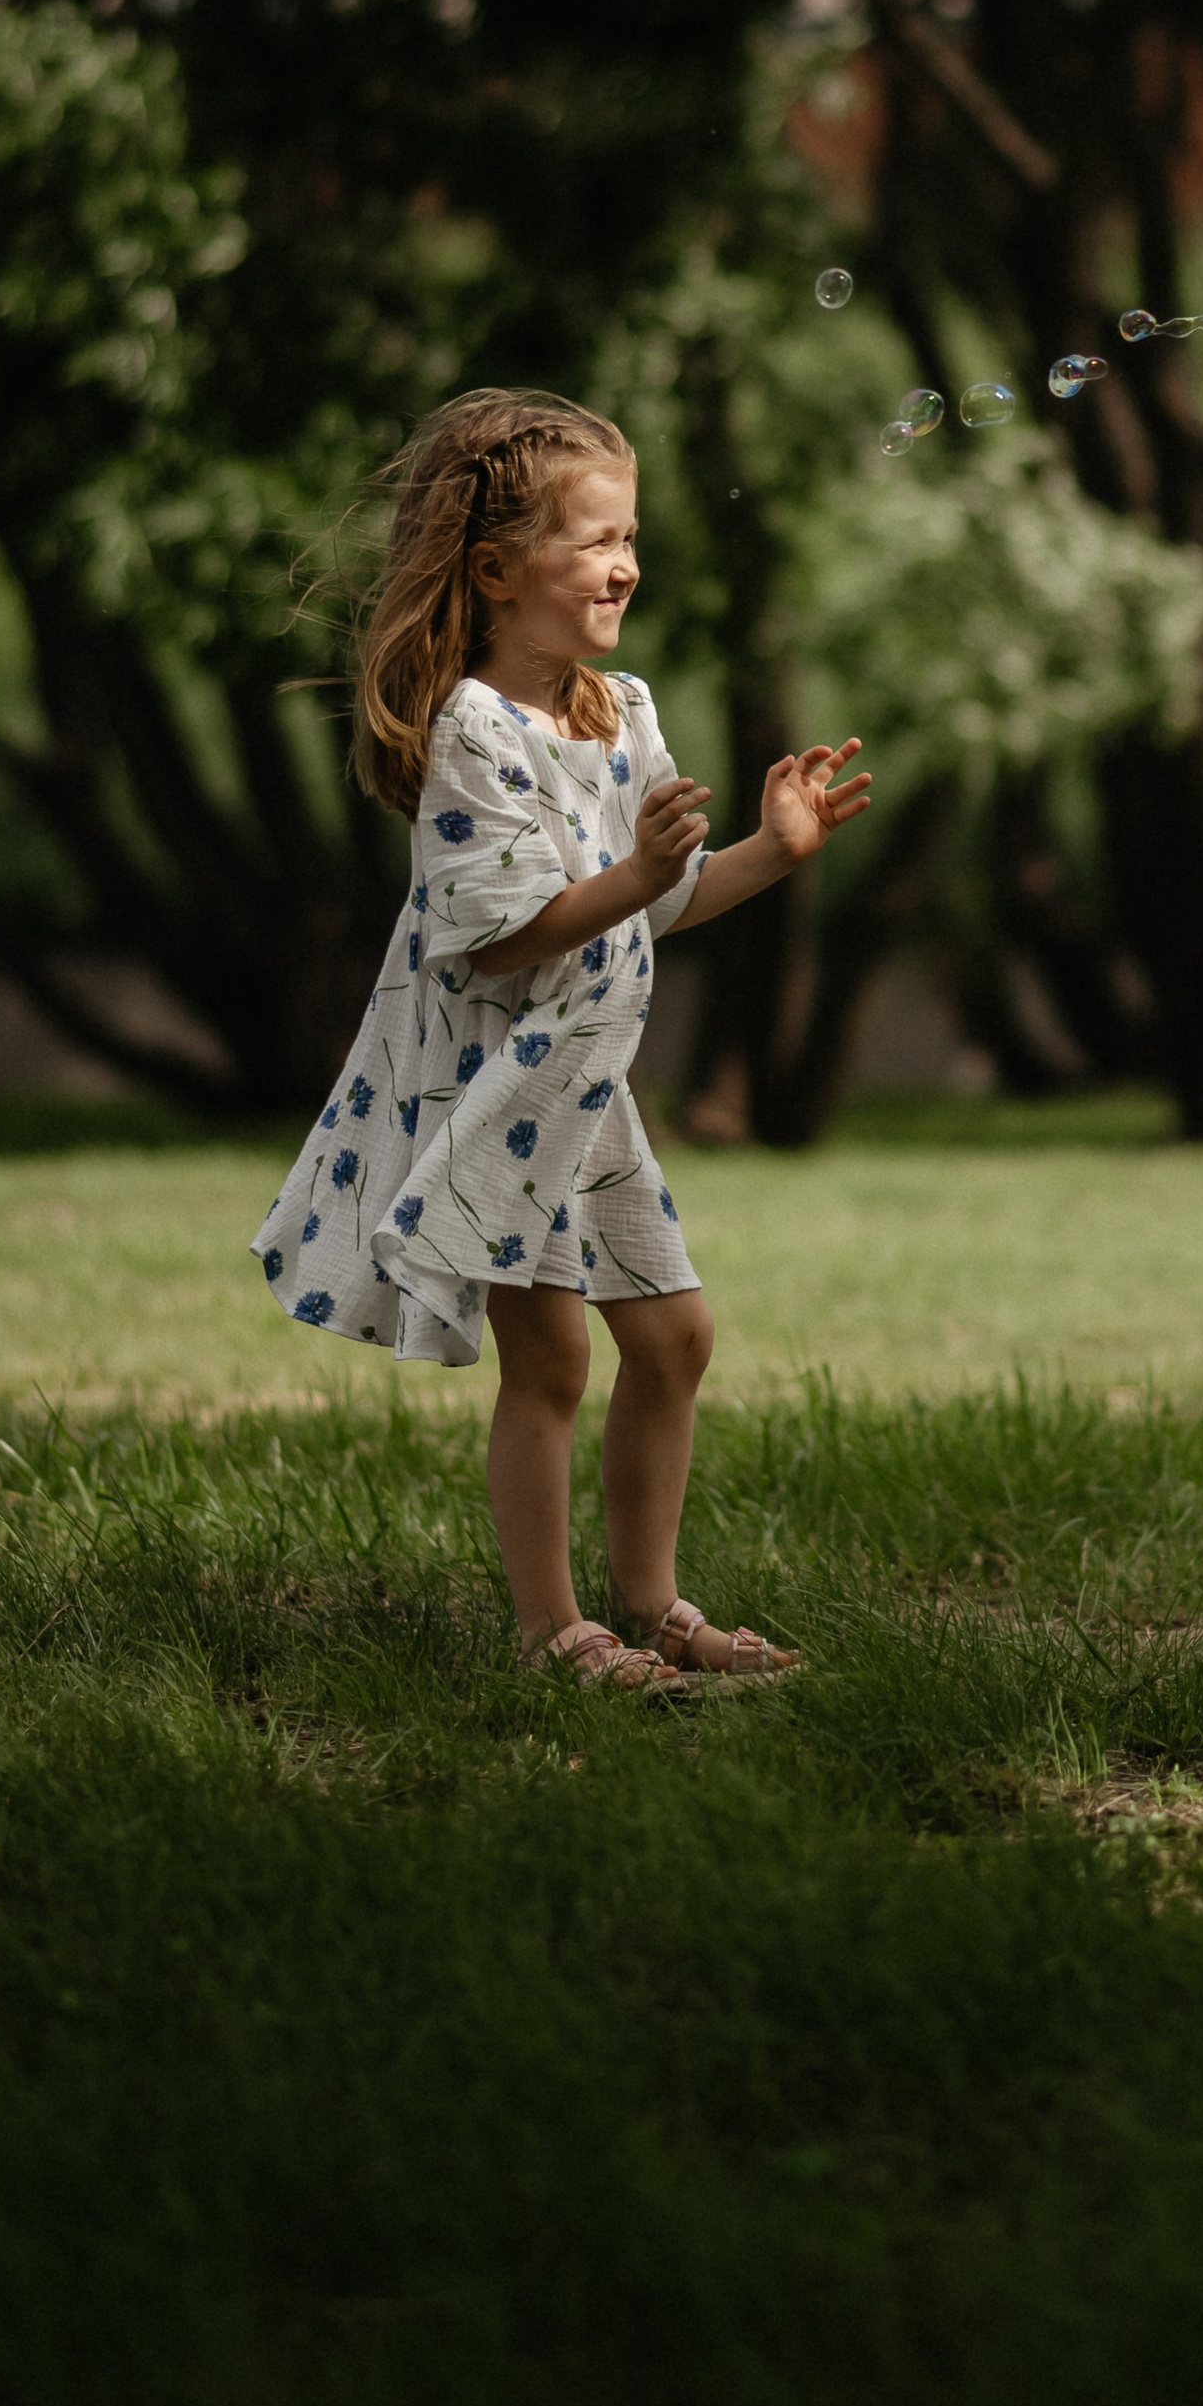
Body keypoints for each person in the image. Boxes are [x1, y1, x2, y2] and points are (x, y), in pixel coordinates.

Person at [249, 390, 871, 1691]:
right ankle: (552, 1631)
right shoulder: (474, 732)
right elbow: (499, 938)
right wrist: (643, 877)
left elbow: (663, 898)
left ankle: (652, 1604)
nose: (625, 562)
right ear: (496, 571)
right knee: (553, 1357)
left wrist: (769, 851)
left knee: (675, 1339)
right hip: (500, 1081)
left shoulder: (616, 708)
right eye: (594, 540)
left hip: (584, 1083)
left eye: (628, 535)